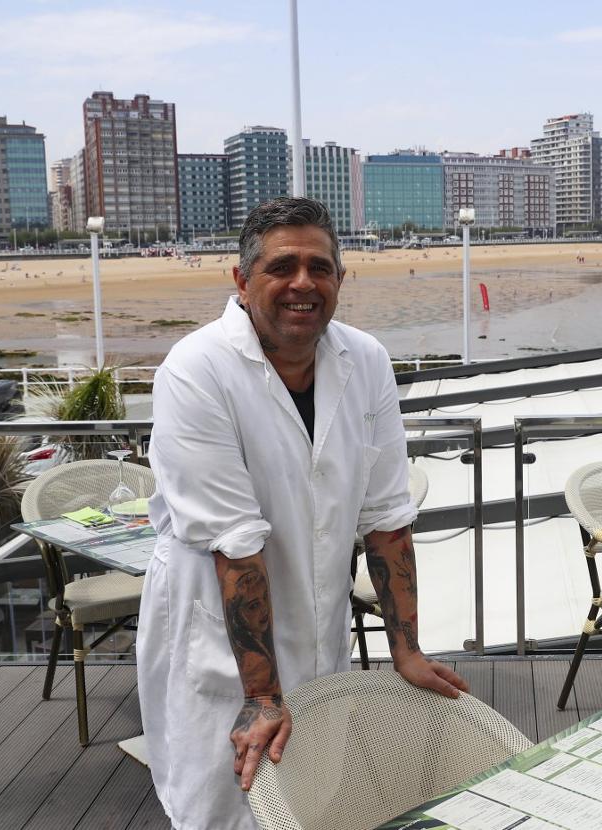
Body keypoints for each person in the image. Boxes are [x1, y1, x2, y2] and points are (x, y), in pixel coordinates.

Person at [138, 197, 467, 830]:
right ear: (241, 279)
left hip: (318, 623)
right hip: (213, 629)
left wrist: (407, 651)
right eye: (281, 266)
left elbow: (387, 516)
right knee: (222, 806)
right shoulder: (197, 370)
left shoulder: (364, 360)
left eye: (320, 267)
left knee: (315, 800)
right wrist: (261, 695)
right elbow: (233, 542)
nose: (302, 283)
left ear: (340, 281)